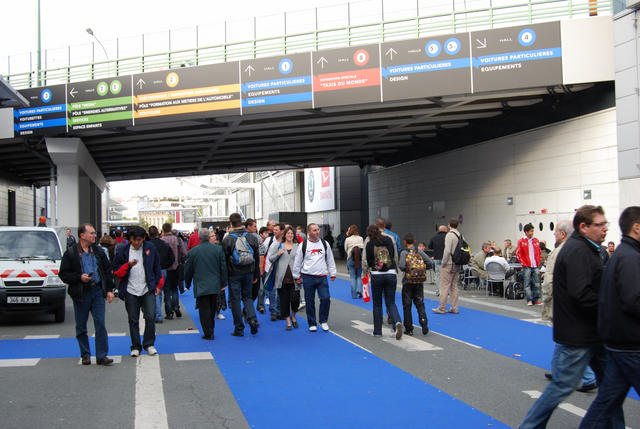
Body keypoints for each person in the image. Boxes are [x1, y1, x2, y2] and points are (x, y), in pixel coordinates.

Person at [520, 205, 612, 429]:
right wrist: (609, 306)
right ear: (584, 226)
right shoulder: (578, 251)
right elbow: (581, 293)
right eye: (600, 224)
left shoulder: (586, 249)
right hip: (580, 332)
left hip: (589, 331)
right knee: (562, 386)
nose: (605, 229)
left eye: (605, 224)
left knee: (611, 389)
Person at [579, 206, 640, 427]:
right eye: (600, 224)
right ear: (637, 227)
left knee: (606, 403)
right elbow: (633, 300)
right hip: (630, 344)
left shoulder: (623, 254)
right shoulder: (630, 258)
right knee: (606, 402)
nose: (604, 228)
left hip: (618, 341)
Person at [59, 223, 115, 366]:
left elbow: (107, 271)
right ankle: (85, 354)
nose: (94, 236)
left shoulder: (98, 251)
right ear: (82, 235)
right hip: (81, 293)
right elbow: (63, 274)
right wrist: (79, 277)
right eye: (91, 233)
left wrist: (109, 290)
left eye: (94, 233)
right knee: (81, 326)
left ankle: (102, 355)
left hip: (97, 291)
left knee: (100, 323)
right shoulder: (71, 253)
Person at [112, 226, 163, 357]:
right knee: (133, 319)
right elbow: (116, 269)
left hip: (147, 288)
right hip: (130, 289)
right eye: (133, 240)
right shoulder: (123, 250)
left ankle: (149, 344)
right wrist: (127, 265)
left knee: (150, 316)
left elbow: (157, 267)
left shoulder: (150, 248)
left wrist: (158, 284)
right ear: (129, 239)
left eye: (139, 240)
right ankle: (135, 346)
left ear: (144, 238)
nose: (136, 242)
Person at [184, 228, 228, 340]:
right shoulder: (218, 249)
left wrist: (187, 283)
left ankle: (208, 332)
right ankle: (211, 329)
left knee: (204, 310)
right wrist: (223, 282)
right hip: (215, 284)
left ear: (199, 237)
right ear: (209, 237)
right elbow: (223, 267)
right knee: (212, 308)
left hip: (201, 285)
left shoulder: (193, 252)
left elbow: (188, 270)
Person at [292, 223, 337, 332]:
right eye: (314, 230)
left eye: (318, 230)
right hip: (308, 277)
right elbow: (297, 262)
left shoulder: (324, 243)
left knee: (325, 298)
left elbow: (330, 259)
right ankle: (312, 323)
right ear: (309, 232)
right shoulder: (303, 245)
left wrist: (333, 273)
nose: (317, 232)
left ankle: (323, 321)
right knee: (310, 301)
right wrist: (296, 276)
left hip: (322, 277)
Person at [222, 213, 261, 337]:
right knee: (247, 297)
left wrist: (224, 278)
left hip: (234, 273)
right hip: (249, 271)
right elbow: (256, 258)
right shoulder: (251, 237)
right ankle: (252, 319)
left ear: (231, 223)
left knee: (235, 300)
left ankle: (239, 328)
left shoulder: (228, 239)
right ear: (242, 222)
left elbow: (224, 260)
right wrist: (256, 274)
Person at [365, 225, 403, 339]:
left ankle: (377, 331)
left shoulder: (369, 244)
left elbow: (369, 261)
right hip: (391, 273)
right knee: (391, 302)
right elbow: (393, 255)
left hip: (377, 275)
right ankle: (397, 322)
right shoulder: (389, 240)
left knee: (377, 304)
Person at [398, 233, 431, 336]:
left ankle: (409, 329)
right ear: (414, 241)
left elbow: (401, 266)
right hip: (419, 281)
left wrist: (409, 270)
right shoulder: (419, 251)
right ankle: (423, 321)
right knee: (420, 303)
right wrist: (421, 270)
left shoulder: (404, 252)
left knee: (407, 305)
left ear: (405, 242)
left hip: (408, 281)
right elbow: (430, 262)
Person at [268, 226, 300, 331]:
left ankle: (293, 315)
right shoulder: (279, 245)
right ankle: (288, 322)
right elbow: (270, 258)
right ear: (285, 235)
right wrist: (278, 254)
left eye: (292, 233)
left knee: (295, 300)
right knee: (284, 301)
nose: (290, 235)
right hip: (282, 279)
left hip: (295, 278)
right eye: (288, 233)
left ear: (294, 235)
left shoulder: (298, 246)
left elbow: (302, 261)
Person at [433, 218, 463, 314]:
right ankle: (454, 307)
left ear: (449, 225)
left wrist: (443, 262)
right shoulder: (460, 235)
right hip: (457, 263)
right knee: (454, 286)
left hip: (449, 263)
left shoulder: (449, 235)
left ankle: (442, 308)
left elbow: (447, 251)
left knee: (444, 286)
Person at [148, 225, 174, 324]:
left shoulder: (148, 245)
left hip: (152, 270)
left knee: (156, 292)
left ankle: (158, 315)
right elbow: (171, 257)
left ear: (149, 234)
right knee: (166, 290)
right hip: (163, 269)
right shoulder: (164, 244)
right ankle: (169, 311)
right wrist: (166, 265)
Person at [161, 223, 187, 319]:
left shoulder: (162, 240)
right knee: (174, 289)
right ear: (171, 229)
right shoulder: (178, 240)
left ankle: (169, 312)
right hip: (176, 267)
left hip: (165, 268)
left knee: (166, 291)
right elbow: (184, 253)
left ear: (163, 230)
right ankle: (176, 306)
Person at [516, 223, 542, 306]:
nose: (532, 233)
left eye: (533, 231)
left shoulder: (536, 240)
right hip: (527, 266)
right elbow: (518, 254)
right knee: (527, 284)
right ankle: (529, 300)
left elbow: (539, 252)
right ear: (526, 232)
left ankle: (536, 299)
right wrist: (523, 264)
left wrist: (538, 261)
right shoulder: (521, 241)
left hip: (535, 265)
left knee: (536, 283)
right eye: (531, 231)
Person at [264, 223, 285, 321]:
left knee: (281, 290)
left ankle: (279, 310)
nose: (274, 231)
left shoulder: (286, 242)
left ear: (282, 231)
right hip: (272, 268)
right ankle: (273, 311)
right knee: (273, 290)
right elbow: (268, 256)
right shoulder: (271, 241)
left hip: (283, 270)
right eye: (274, 229)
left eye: (276, 230)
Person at [344, 225, 364, 299]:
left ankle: (354, 295)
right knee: (359, 276)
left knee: (352, 277)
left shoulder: (348, 239)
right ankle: (359, 290)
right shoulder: (361, 238)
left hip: (351, 259)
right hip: (359, 259)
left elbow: (345, 249)